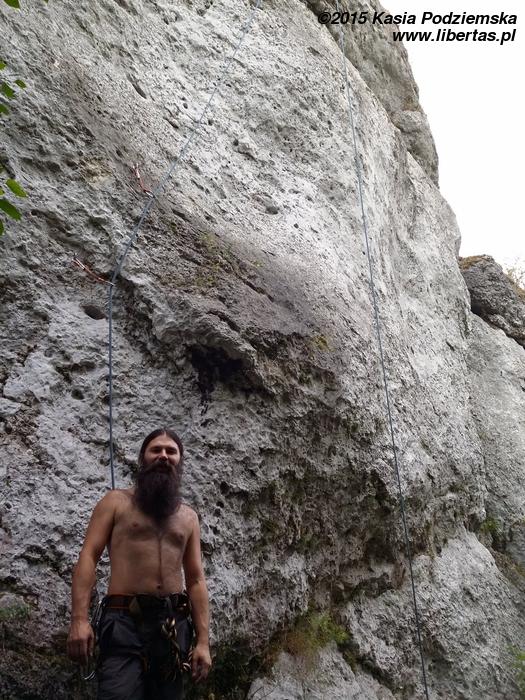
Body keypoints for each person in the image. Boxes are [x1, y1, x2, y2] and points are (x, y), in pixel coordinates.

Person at [67, 428, 212, 699]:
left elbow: (195, 580)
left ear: (180, 461)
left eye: (171, 451)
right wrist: (79, 620)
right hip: (123, 622)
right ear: (142, 458)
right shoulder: (116, 502)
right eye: (156, 450)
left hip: (172, 625)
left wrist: (203, 642)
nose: (163, 456)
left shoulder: (188, 517)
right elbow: (88, 556)